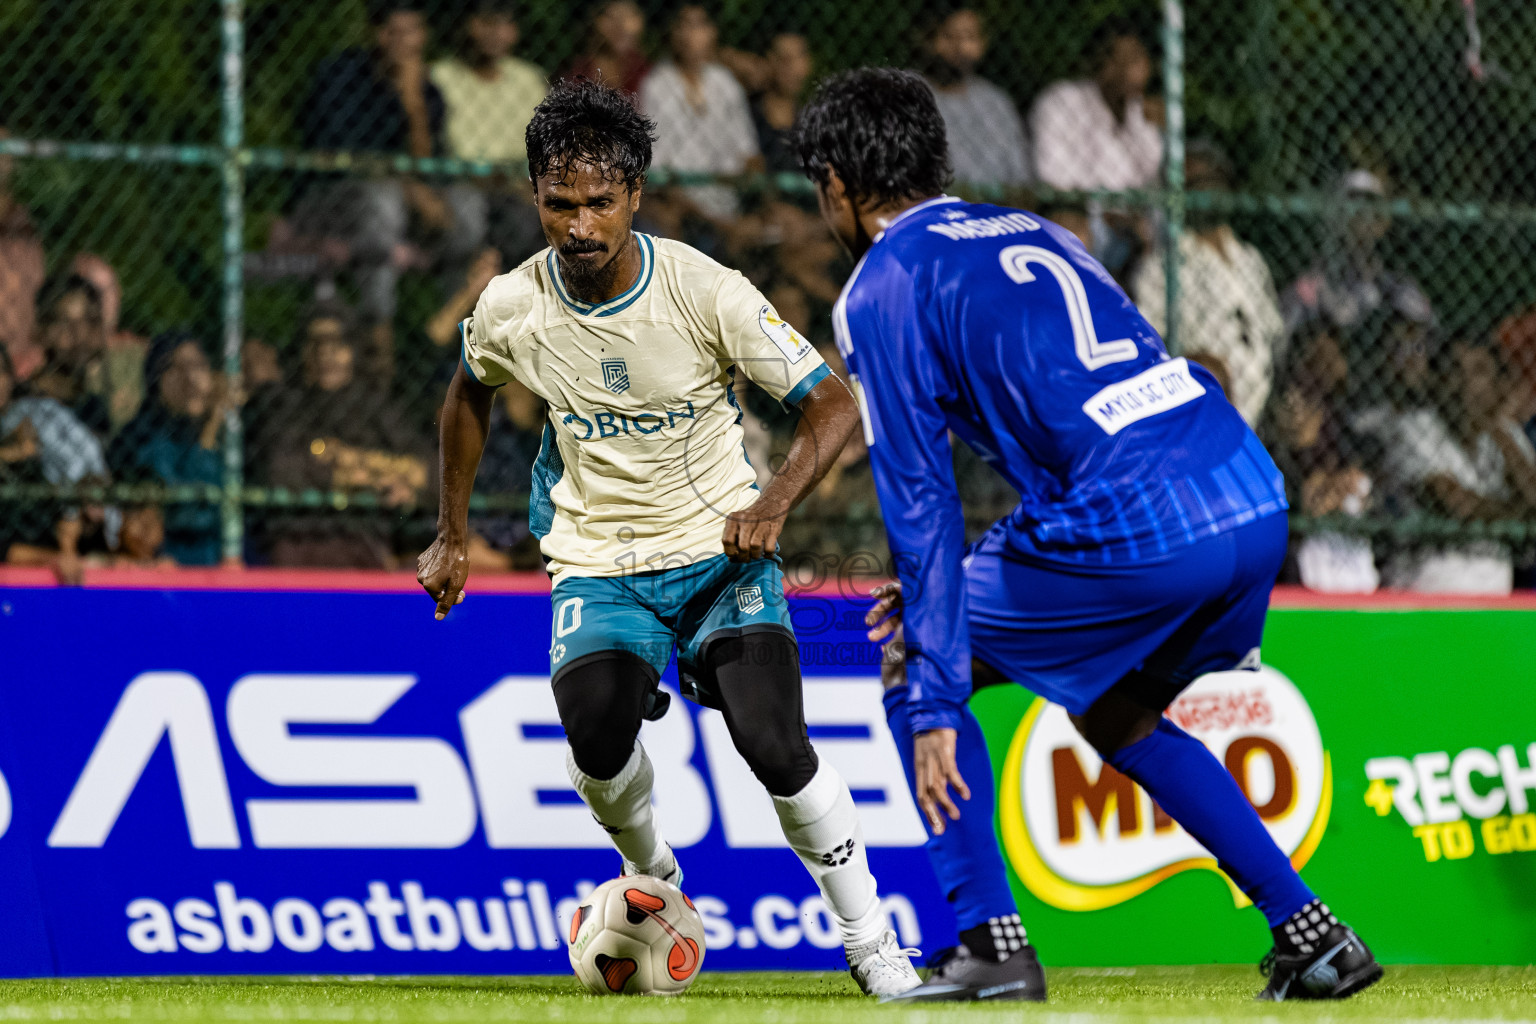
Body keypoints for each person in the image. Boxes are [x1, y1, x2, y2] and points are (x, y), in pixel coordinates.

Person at [793, 68, 1383, 1003]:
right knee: (1115, 711)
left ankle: (990, 941)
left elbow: (920, 500)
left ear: (835, 181)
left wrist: (939, 685)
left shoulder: (884, 284)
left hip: (1134, 523)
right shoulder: (1036, 231)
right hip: (1246, 487)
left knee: (914, 654)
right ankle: (1313, 936)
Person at [417, 79, 922, 997]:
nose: (579, 226)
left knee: (774, 744)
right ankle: (657, 876)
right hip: (599, 561)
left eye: (600, 203)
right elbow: (468, 392)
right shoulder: (510, 305)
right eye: (560, 204)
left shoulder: (703, 290)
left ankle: (872, 943)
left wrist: (772, 506)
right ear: (535, 196)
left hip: (720, 556)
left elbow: (832, 405)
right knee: (596, 737)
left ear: (635, 196)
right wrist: (451, 534)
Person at [297, 1, 481, 377]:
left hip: (403, 200)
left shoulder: (425, 87)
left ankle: (453, 336)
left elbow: (428, 164)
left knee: (466, 204)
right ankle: (377, 331)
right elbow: (344, 158)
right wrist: (409, 186)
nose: (404, 42)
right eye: (395, 32)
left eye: (413, 32)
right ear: (377, 34)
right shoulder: (341, 76)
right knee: (382, 200)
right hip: (332, 200)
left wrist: (411, 101)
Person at [252, 303, 429, 568]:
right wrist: (346, 477)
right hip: (300, 537)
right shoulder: (286, 403)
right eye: (315, 343)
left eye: (337, 343)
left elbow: (425, 466)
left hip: (363, 538)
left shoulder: (373, 404)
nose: (325, 353)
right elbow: (279, 468)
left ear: (354, 350)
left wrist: (366, 467)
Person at [1132, 142, 1284, 427]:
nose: (1207, 192)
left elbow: (1274, 333)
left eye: (1214, 181)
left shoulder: (1250, 258)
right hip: (1204, 414)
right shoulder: (1162, 267)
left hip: (1266, 409)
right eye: (1196, 183)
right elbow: (1148, 353)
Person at [108, 334, 238, 567]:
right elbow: (185, 511)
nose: (190, 380)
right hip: (169, 564)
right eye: (175, 369)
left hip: (221, 562)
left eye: (199, 366)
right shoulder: (142, 437)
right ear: (156, 380)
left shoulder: (231, 432)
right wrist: (208, 436)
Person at [640, 5, 762, 225]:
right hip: (682, 204)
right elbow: (658, 170)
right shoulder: (656, 85)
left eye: (698, 25)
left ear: (712, 32)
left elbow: (749, 154)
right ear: (671, 32)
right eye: (683, 25)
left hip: (730, 199)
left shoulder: (725, 82)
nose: (690, 34)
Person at [921, 8, 1030, 190]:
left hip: (997, 210)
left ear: (983, 44)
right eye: (949, 36)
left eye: (969, 37)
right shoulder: (908, 96)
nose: (959, 47)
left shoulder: (997, 102)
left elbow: (1021, 179)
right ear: (928, 40)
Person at [566, 0, 651, 95]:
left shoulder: (646, 74)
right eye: (610, 16)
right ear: (593, 21)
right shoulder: (579, 74)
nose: (620, 26)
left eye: (629, 15)